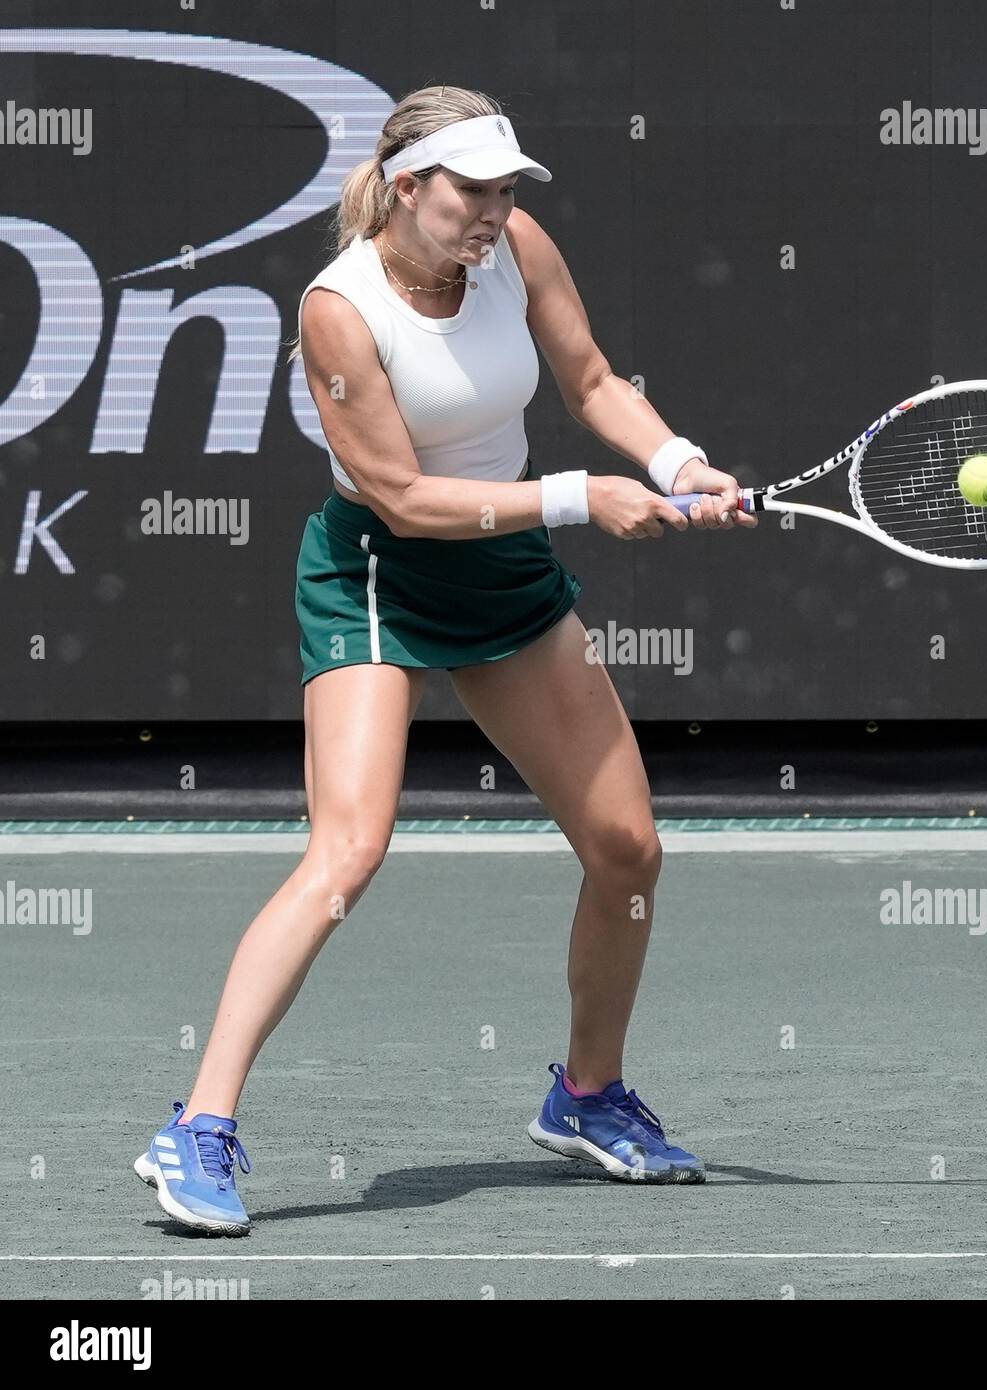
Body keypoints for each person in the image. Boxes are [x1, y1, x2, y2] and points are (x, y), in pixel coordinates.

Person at [133, 83, 755, 1235]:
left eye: (504, 189)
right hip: (381, 571)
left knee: (627, 847)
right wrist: (581, 497)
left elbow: (589, 381)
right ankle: (200, 1127)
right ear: (406, 185)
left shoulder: (515, 246)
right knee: (348, 850)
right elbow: (405, 498)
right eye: (470, 189)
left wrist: (674, 466)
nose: (491, 210)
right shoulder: (339, 309)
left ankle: (586, 1096)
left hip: (504, 570)